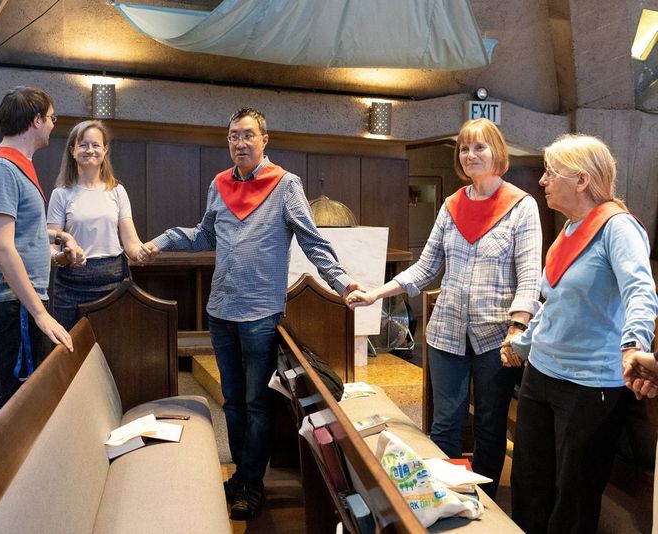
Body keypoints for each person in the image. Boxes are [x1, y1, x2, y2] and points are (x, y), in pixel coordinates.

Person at [141, 107, 360, 520]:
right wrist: (166, 239)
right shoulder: (219, 184)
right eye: (232, 137)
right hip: (221, 310)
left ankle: (251, 483)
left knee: (258, 403)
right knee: (234, 401)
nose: (239, 143)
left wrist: (343, 283)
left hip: (260, 314)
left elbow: (313, 242)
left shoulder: (285, 185)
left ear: (264, 140)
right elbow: (206, 234)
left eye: (247, 136)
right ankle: (241, 473)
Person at [347, 118, 542, 499]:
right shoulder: (453, 205)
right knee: (444, 425)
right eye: (464, 149)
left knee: (489, 426)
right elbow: (425, 267)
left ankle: (481, 504)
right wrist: (376, 293)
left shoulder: (522, 207)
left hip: (496, 338)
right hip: (447, 333)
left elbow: (530, 275)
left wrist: (517, 329)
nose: (470, 155)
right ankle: (441, 500)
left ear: (497, 152)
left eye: (479, 147)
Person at [504, 134, 658, 534]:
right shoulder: (571, 228)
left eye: (552, 172)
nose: (542, 181)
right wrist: (522, 343)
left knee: (571, 500)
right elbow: (554, 303)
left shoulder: (617, 227)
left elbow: (640, 290)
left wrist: (634, 345)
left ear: (582, 181)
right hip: (542, 373)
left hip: (590, 385)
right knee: (529, 486)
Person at [0, 86, 83, 412]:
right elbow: (2, 249)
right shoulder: (0, 169)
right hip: (12, 303)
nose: (52, 124)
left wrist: (59, 250)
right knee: (20, 407)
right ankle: (8, 464)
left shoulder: (16, 166)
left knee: (30, 400)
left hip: (20, 301)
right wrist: (40, 313)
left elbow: (23, 241)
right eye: (51, 118)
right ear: (36, 120)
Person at [47, 120, 145, 331]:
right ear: (72, 151)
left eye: (95, 145)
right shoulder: (61, 194)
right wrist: (64, 257)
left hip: (114, 281)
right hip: (71, 283)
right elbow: (51, 248)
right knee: (68, 353)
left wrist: (142, 253)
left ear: (105, 150)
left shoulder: (118, 191)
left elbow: (131, 243)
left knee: (113, 350)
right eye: (83, 145)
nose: (89, 150)